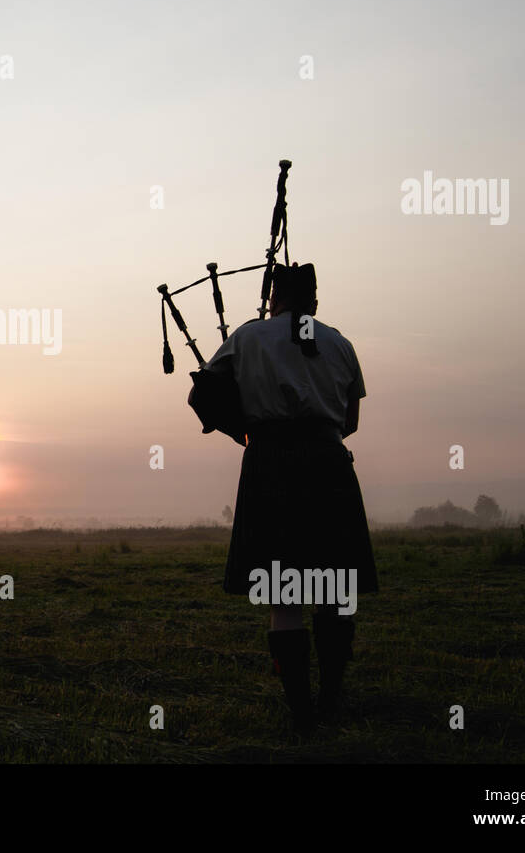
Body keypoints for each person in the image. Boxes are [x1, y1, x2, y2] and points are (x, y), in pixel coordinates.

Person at [196, 262, 377, 733]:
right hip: (329, 464)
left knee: (285, 593)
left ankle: (301, 713)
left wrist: (243, 427)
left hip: (271, 465)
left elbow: (202, 397)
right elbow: (350, 421)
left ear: (274, 299)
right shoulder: (340, 343)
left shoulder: (248, 336)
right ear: (315, 303)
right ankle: (330, 700)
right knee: (334, 589)